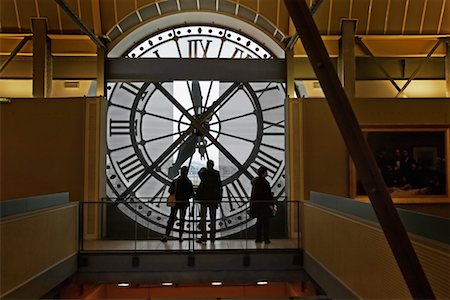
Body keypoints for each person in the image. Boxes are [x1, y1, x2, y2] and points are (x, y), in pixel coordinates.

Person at [161, 166, 194, 242]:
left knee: (172, 218)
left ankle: (166, 235)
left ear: (180, 171)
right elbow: (191, 194)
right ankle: (180, 236)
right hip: (184, 203)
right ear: (187, 172)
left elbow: (170, 191)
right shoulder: (188, 182)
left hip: (175, 202)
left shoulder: (175, 181)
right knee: (182, 219)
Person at [196, 160, 222, 244]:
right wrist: (219, 198)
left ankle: (204, 236)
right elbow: (219, 186)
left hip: (204, 198)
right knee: (213, 218)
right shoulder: (216, 173)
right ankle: (212, 237)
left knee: (203, 218)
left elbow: (200, 173)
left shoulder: (204, 173)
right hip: (213, 199)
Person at [249, 166, 276, 244]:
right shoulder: (265, 183)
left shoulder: (255, 182)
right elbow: (267, 195)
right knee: (266, 223)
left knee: (259, 222)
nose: (267, 173)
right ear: (264, 173)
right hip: (264, 206)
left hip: (257, 205)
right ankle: (266, 239)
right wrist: (271, 204)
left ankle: (258, 238)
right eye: (266, 172)